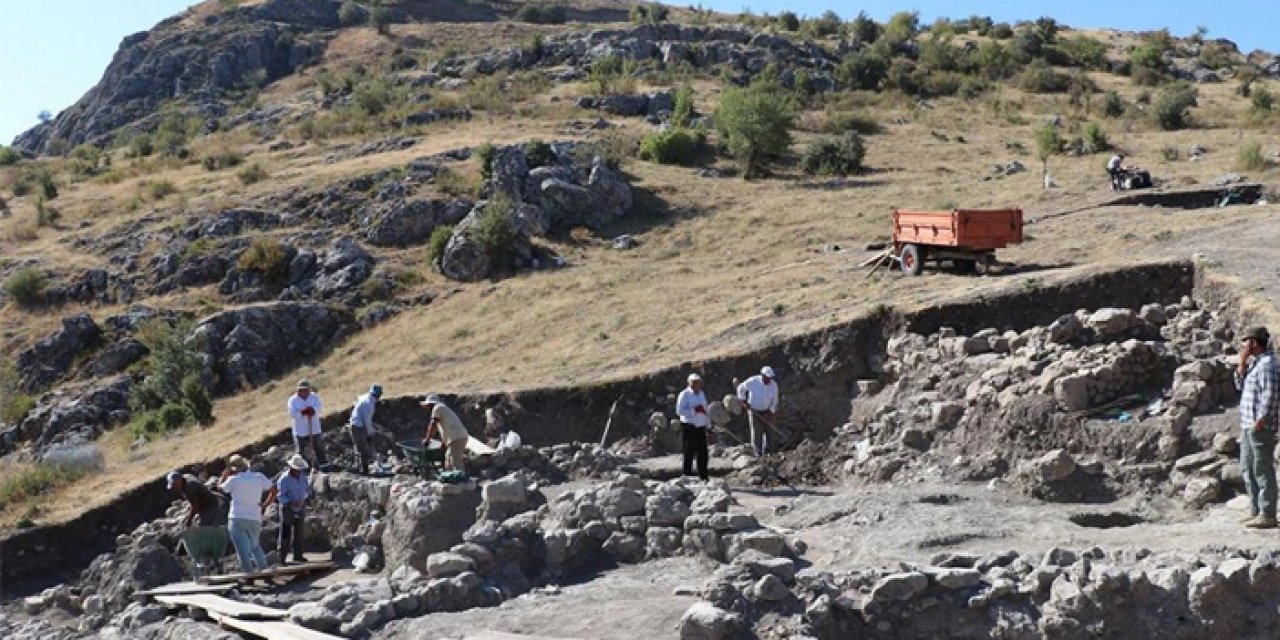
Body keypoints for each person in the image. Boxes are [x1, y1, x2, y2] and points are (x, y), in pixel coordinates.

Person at [1235, 326, 1280, 529]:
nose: (1244, 345)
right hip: (1247, 423)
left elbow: (1270, 394)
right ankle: (1255, 509)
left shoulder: (1268, 365)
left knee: (1262, 468)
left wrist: (1261, 420)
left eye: (1246, 341)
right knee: (1247, 467)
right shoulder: (1255, 364)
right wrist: (1241, 363)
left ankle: (1267, 513)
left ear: (1254, 342)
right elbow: (1239, 385)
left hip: (1259, 425)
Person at [218, 455, 272, 572]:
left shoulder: (233, 480)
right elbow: (273, 489)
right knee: (255, 546)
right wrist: (266, 504)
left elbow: (220, 488)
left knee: (242, 550)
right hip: (254, 516)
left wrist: (224, 475)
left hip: (237, 517)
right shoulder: (259, 477)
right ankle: (264, 569)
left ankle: (249, 574)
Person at [268, 454, 312, 565]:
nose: (299, 471)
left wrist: (305, 500)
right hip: (288, 508)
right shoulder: (284, 479)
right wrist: (291, 503)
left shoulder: (303, 477)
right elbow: (280, 495)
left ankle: (298, 555)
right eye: (297, 469)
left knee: (299, 532)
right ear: (291, 468)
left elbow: (307, 489)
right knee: (285, 533)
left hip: (301, 507)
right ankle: (282, 557)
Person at [420, 394, 470, 472]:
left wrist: (427, 439)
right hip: (457, 437)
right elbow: (446, 429)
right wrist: (444, 443)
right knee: (448, 459)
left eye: (427, 406)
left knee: (455, 461)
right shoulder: (442, 411)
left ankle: (460, 481)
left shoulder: (438, 408)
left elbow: (433, 425)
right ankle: (451, 478)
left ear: (431, 404)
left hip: (457, 438)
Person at [737, 366, 780, 454]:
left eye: (770, 378)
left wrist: (770, 412)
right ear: (762, 375)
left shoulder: (773, 385)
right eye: (767, 378)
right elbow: (741, 388)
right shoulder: (753, 381)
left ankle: (771, 452)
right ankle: (758, 453)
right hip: (754, 411)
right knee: (757, 433)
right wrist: (743, 400)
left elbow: (775, 400)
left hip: (768, 412)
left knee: (770, 432)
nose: (768, 380)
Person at [676, 373, 711, 482]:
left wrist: (708, 426)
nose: (696, 385)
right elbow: (679, 411)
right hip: (689, 426)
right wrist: (694, 410)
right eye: (694, 383)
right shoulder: (684, 394)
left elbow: (706, 411)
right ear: (689, 383)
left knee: (703, 453)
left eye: (698, 383)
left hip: (700, 427)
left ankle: (704, 477)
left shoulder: (701, 394)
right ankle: (687, 476)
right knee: (689, 452)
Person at [288, 380, 326, 470]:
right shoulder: (293, 400)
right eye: (302, 390)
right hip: (300, 431)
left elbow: (320, 408)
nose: (305, 392)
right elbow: (292, 414)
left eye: (306, 390)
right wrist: (302, 412)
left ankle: (323, 466)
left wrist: (313, 410)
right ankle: (302, 470)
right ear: (298, 391)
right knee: (300, 452)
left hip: (314, 429)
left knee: (318, 448)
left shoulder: (315, 397)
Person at [347, 384, 383, 474]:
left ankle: (360, 468)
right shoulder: (368, 404)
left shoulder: (366, 399)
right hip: (357, 427)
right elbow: (366, 421)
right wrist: (370, 433)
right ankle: (364, 470)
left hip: (356, 425)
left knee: (359, 447)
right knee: (363, 448)